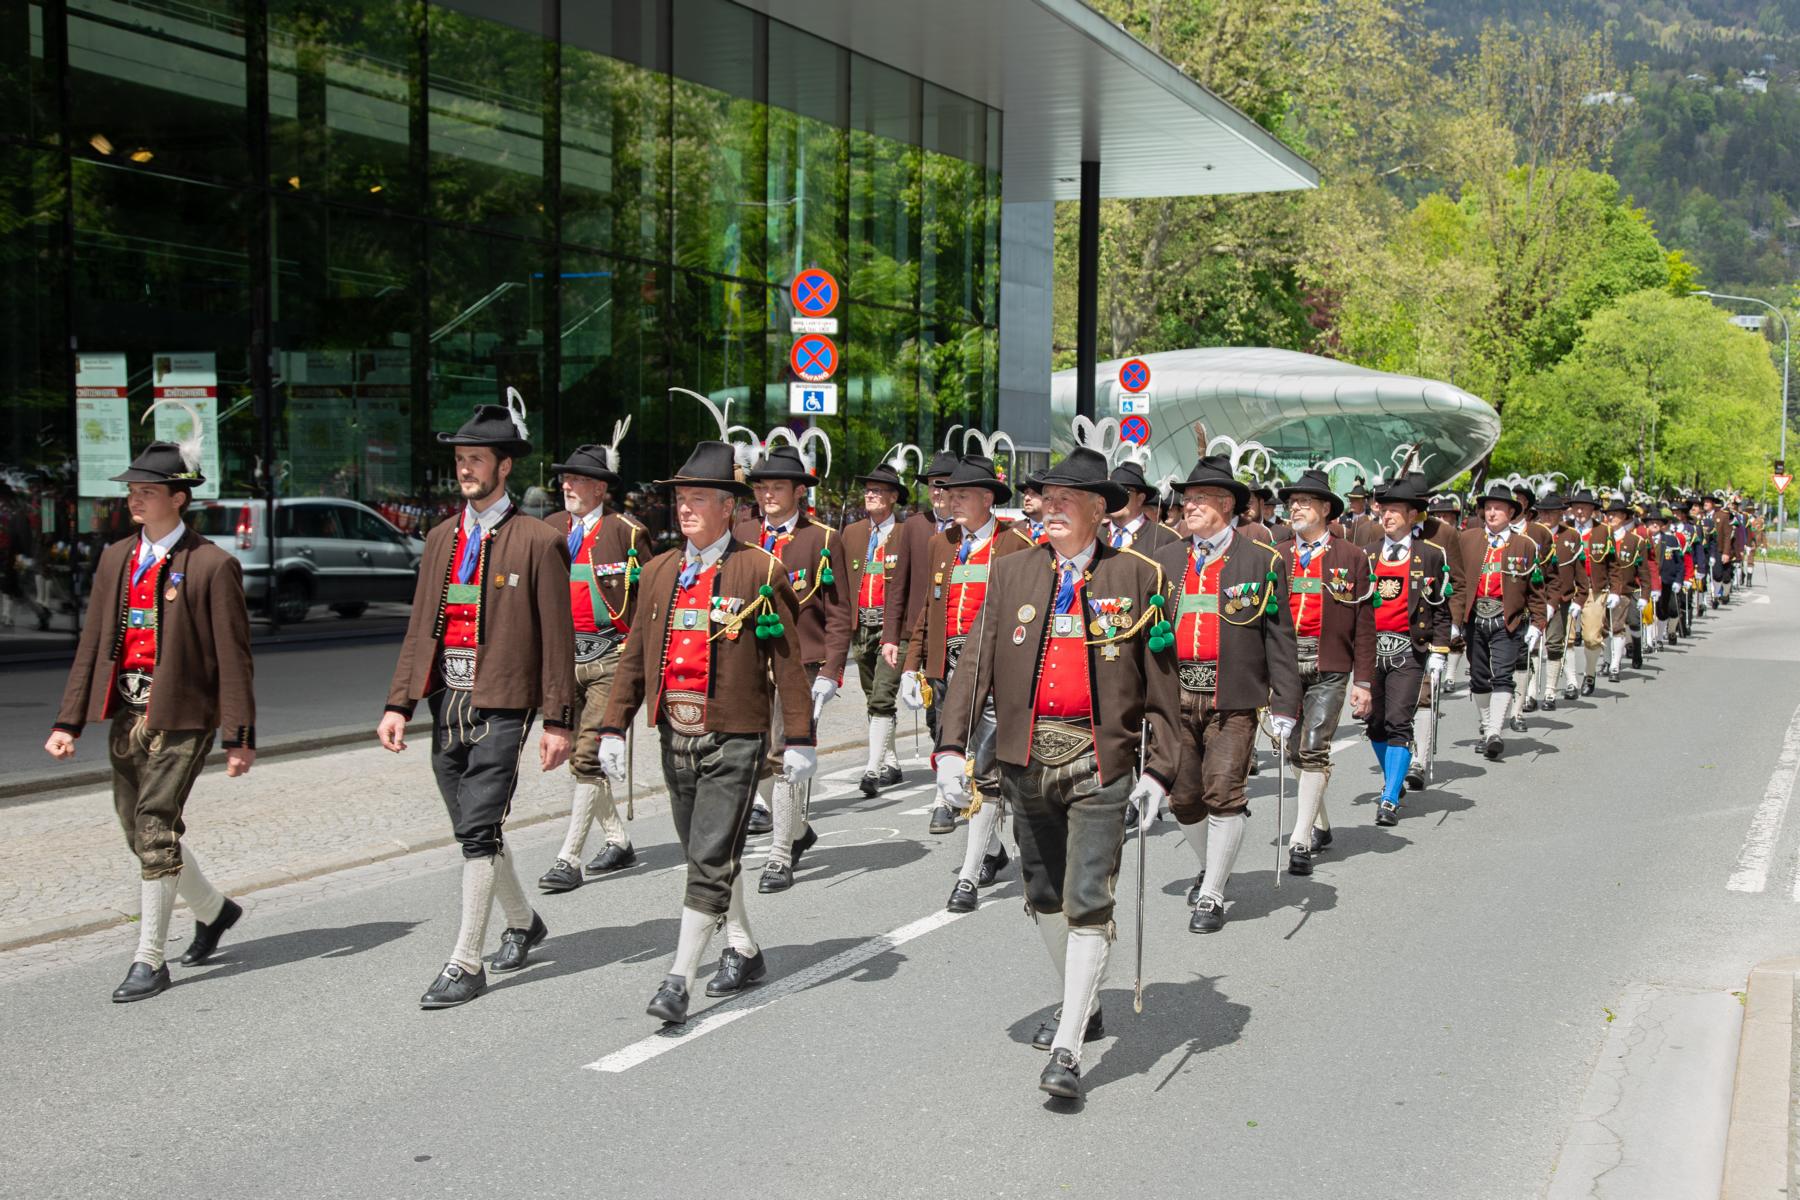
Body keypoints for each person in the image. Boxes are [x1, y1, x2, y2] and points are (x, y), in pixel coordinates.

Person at [933, 438, 1179, 1102]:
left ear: (1102, 510)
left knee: (1088, 895)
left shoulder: (1139, 579)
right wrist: (951, 748)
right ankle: (1085, 1000)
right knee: (1043, 893)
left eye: (1069, 499)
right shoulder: (1013, 573)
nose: (1052, 509)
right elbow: (973, 671)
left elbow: (1163, 688)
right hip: (1023, 755)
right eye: (1048, 497)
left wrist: (1158, 773)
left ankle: (1069, 1045)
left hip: (1101, 757)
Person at [594, 412, 816, 1024]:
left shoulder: (759, 571)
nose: (684, 509)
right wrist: (612, 724)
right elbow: (636, 656)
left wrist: (798, 737)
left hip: (736, 736)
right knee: (703, 854)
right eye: (680, 499)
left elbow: (788, 660)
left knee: (711, 853)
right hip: (676, 733)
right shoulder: (661, 570)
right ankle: (742, 947)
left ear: (728, 507)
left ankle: (677, 979)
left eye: (697, 499)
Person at [47, 406, 255, 1002]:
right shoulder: (116, 557)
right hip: (126, 711)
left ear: (178, 498)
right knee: (138, 832)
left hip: (186, 715)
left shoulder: (213, 564)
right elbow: (92, 642)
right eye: (132, 492)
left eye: (146, 492)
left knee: (155, 826)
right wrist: (67, 720)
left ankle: (149, 959)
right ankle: (214, 911)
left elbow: (234, 657)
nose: (134, 501)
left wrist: (239, 735)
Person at [378, 393, 576, 1009]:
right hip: (447, 698)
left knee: (479, 825)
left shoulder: (538, 540)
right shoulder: (439, 538)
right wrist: (398, 704)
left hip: (504, 701)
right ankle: (523, 922)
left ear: (504, 466)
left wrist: (558, 720)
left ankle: (465, 961)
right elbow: (418, 629)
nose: (465, 469)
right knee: (473, 825)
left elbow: (557, 638)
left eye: (477, 459)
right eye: (461, 459)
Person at [1151, 451, 1301, 934]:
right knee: (1184, 798)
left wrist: (1285, 703)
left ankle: (1213, 893)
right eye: (1186, 499)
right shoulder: (1166, 559)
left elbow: (1280, 637)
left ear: (1227, 505)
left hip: (1233, 697)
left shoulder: (1262, 560)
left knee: (1224, 791)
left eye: (1198, 499)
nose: (1187, 507)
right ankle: (1210, 864)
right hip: (1176, 696)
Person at [901, 445, 1036, 905]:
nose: (951, 501)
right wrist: (911, 665)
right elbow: (927, 610)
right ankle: (993, 851)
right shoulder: (943, 544)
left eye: (962, 495)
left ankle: (969, 872)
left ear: (986, 498)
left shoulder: (1017, 543)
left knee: (985, 772)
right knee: (953, 766)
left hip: (995, 675)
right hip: (948, 674)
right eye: (948, 494)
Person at [734, 432, 852, 892]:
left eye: (777, 488)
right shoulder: (742, 535)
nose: (767, 495)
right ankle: (798, 830)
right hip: (747, 661)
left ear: (798, 491)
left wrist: (831, 671)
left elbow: (840, 611)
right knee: (754, 757)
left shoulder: (822, 539)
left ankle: (780, 854)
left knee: (784, 756)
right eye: (761, 487)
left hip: (800, 659)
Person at [537, 429, 648, 893]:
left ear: (601, 487)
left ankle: (568, 858)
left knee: (587, 756)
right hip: (563, 659)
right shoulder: (547, 529)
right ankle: (618, 840)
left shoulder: (628, 532)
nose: (568, 486)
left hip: (611, 658)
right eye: (565, 479)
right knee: (581, 758)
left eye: (578, 480)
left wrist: (641, 666)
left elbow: (646, 605)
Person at [1275, 469, 1374, 875]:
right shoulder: (1275, 555)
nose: (1295, 507)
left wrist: (1364, 682)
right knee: (1292, 749)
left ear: (1326, 510)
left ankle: (1299, 841)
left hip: (1330, 663)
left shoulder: (1351, 557)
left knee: (1314, 746)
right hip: (1282, 664)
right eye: (1292, 502)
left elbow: (1365, 623)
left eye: (1304, 502)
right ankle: (1321, 824)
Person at [1362, 476, 1453, 824]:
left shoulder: (1431, 556)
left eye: (1395, 511)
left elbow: (1440, 605)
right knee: (1374, 722)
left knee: (1399, 721)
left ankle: (1389, 798)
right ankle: (1394, 779)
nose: (1386, 517)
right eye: (1384, 510)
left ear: (1413, 515)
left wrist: (1440, 649)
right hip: (1372, 649)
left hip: (1409, 649)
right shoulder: (1367, 554)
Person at [1452, 485, 1547, 759]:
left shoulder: (1525, 545)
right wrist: (1455, 619)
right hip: (1474, 619)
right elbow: (1457, 582)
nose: (1491, 513)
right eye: (1488, 508)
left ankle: (1495, 731)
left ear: (1511, 512)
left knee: (1502, 675)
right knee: (1479, 677)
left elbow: (1536, 587)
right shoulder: (1467, 539)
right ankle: (1485, 726)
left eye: (1498, 508)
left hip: (1508, 619)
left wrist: (1538, 624)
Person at [842, 449, 915, 798]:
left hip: (893, 631)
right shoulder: (853, 533)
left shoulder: (906, 533)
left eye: (878, 490)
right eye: (867, 489)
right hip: (862, 627)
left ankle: (872, 770)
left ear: (893, 497)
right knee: (873, 696)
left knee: (883, 696)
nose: (870, 495)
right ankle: (892, 762)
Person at [1105, 447, 1183, 554]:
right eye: (1112, 491)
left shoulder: (1165, 539)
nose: (1116, 497)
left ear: (1140, 499)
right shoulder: (1095, 534)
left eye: (1125, 491)